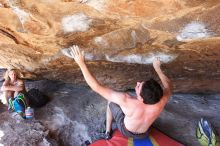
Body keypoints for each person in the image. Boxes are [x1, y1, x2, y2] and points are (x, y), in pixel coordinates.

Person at [69, 45, 172, 139]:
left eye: (139, 86)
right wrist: (157, 68)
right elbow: (168, 85)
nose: (137, 83)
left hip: (126, 132)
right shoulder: (161, 102)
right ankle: (108, 132)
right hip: (144, 134)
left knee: (111, 102)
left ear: (141, 98)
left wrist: (81, 63)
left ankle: (107, 132)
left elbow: (96, 87)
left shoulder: (126, 100)